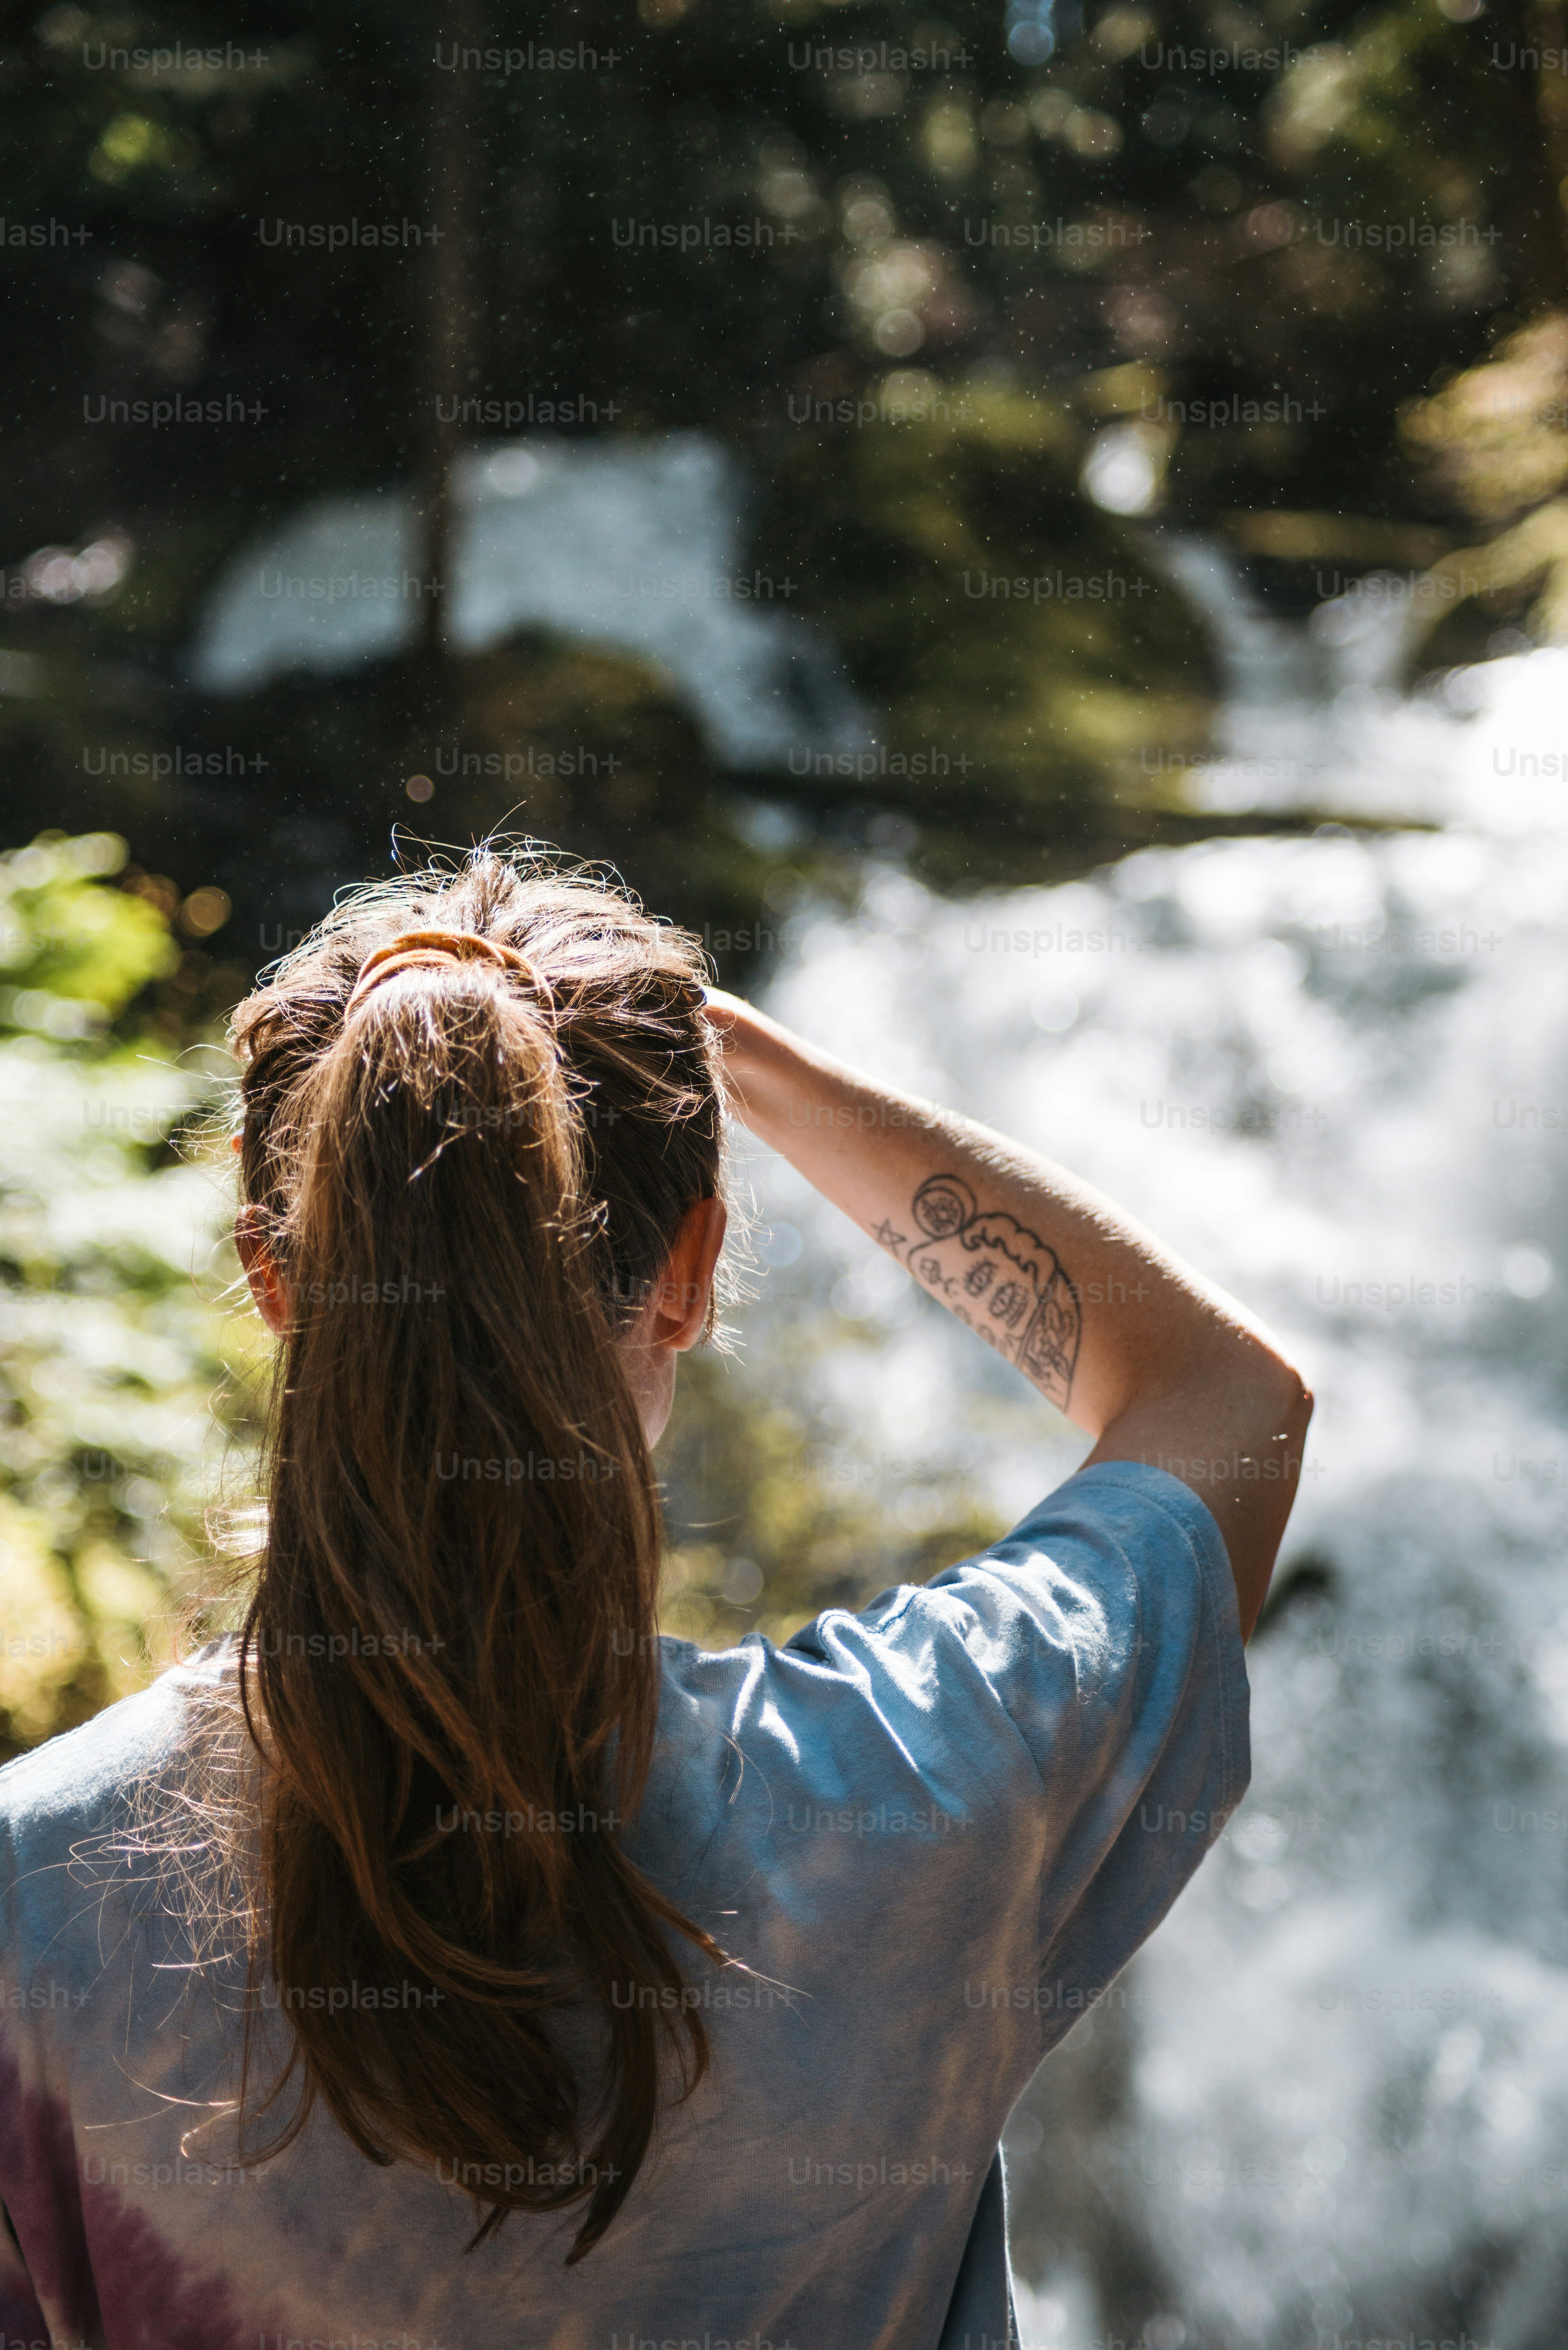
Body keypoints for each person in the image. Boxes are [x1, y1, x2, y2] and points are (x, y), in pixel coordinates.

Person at [0, 847, 1310, 2348]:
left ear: (277, 1277)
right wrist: (756, 1066)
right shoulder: (920, 1776)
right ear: (690, 1268)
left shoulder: (32, 1898)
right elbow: (1232, 1401)